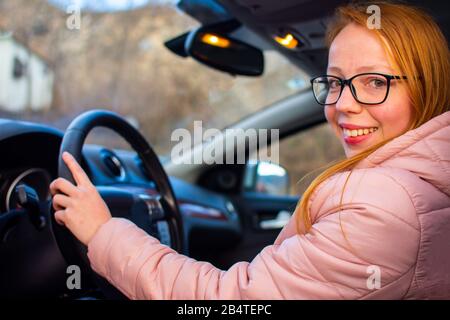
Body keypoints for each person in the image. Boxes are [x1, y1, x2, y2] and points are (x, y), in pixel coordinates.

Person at [50, 1, 450, 299]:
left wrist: (103, 232)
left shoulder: (383, 210)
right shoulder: (419, 188)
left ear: (427, 85)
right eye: (334, 82)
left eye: (375, 82)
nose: (343, 104)